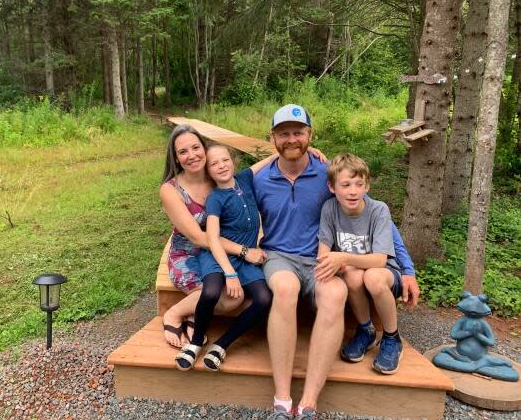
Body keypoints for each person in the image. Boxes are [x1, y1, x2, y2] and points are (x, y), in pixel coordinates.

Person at [253, 104, 420, 420]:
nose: (292, 139)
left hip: (320, 259)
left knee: (336, 293)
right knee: (285, 289)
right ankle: (282, 400)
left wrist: (407, 269)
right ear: (273, 137)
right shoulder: (260, 179)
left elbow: (381, 219)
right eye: (284, 133)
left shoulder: (327, 173)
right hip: (280, 257)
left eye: (298, 132)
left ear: (310, 135)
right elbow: (224, 194)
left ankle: (309, 402)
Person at [175, 144, 273, 371]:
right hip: (218, 254)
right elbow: (212, 237)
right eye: (214, 164)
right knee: (210, 291)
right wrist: (229, 272)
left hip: (245, 257)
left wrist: (308, 152)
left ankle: (222, 345)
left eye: (225, 160)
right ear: (208, 171)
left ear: (233, 161)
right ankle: (196, 341)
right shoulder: (215, 198)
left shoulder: (245, 180)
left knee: (264, 298)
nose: (221, 166)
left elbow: (265, 162)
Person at [316, 153, 403, 375]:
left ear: (367, 186)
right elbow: (323, 252)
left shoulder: (378, 210)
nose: (353, 191)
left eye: (359, 184)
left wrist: (343, 257)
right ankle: (366, 330)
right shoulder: (329, 209)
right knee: (354, 276)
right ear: (332, 187)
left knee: (371, 277)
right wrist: (331, 262)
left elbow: (380, 259)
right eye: (345, 185)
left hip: (385, 274)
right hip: (353, 271)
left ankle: (392, 338)